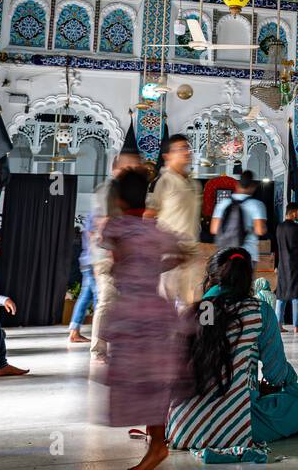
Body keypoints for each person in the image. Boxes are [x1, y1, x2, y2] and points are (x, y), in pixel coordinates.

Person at [167, 248, 298, 459]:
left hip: (181, 428)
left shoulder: (193, 313)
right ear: (248, 280)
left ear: (209, 278)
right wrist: (287, 384)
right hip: (236, 427)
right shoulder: (259, 311)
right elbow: (277, 374)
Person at [99, 168, 192, 470]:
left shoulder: (116, 228)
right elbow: (183, 253)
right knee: (155, 382)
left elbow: (115, 263)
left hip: (132, 310)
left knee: (135, 380)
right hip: (156, 310)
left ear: (120, 199)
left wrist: (127, 269)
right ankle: (157, 441)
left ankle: (158, 443)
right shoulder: (156, 231)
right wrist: (156, 265)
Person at [88, 152, 142, 361]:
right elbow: (106, 223)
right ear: (118, 167)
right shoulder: (109, 189)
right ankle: (98, 350)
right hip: (108, 255)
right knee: (107, 301)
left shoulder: (124, 191)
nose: (134, 169)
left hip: (123, 254)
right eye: (131, 166)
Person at [148, 134, 203, 306]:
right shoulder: (162, 182)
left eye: (187, 148)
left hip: (191, 253)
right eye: (181, 149)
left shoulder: (194, 184)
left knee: (191, 307)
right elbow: (149, 216)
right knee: (164, 305)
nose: (186, 152)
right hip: (169, 253)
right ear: (167, 156)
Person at [211, 170, 268, 263]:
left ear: (237, 185)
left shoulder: (223, 203)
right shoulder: (257, 205)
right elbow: (260, 231)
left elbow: (214, 229)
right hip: (247, 253)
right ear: (252, 187)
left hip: (224, 254)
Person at [274, 206, 298, 332]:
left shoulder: (279, 228)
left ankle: (278, 325)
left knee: (281, 296)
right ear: (293, 212)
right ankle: (297, 325)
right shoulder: (297, 228)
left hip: (282, 265)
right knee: (297, 295)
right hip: (296, 265)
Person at [69, 211, 98, 344]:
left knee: (85, 297)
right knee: (100, 298)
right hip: (94, 262)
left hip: (88, 261)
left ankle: (74, 332)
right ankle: (99, 335)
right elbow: (92, 237)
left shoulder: (94, 213)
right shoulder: (98, 213)